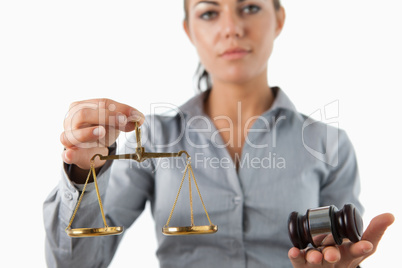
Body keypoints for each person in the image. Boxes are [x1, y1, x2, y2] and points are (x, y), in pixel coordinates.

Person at [44, 0, 394, 267]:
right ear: (188, 30)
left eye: (250, 7)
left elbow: (338, 245)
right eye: (209, 12)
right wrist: (83, 174)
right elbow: (75, 262)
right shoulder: (153, 138)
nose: (231, 28)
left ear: (280, 19)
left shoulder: (328, 145)